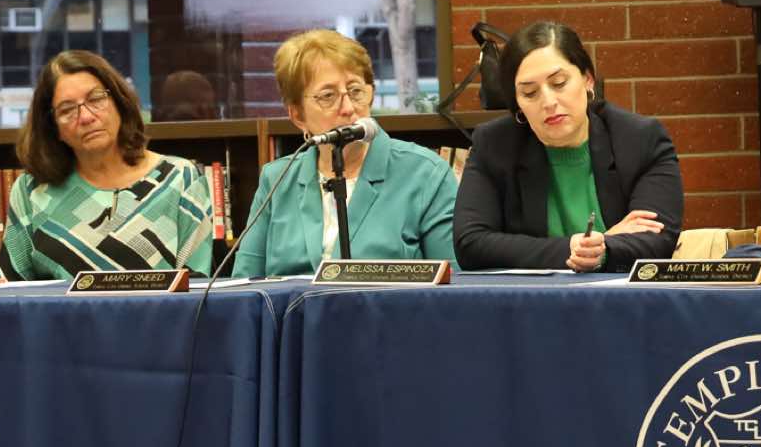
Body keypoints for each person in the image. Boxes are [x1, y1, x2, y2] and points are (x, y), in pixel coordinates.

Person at [454, 21, 682, 271]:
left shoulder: (639, 139)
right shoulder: (495, 145)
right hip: (531, 295)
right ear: (517, 103)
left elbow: (658, 238)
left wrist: (603, 250)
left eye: (559, 83)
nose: (548, 102)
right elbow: (470, 244)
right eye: (530, 93)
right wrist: (579, 246)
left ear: (588, 79)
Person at [232, 29, 458, 276]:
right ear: (297, 115)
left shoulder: (426, 174)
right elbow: (245, 285)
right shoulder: (276, 179)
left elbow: (454, 284)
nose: (349, 108)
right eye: (328, 96)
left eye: (355, 91)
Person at [0, 50, 214, 280]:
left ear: (119, 102)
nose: (86, 117)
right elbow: (9, 293)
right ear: (53, 127)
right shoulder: (31, 191)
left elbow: (197, 289)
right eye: (67, 110)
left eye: (96, 99)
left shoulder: (179, 179)